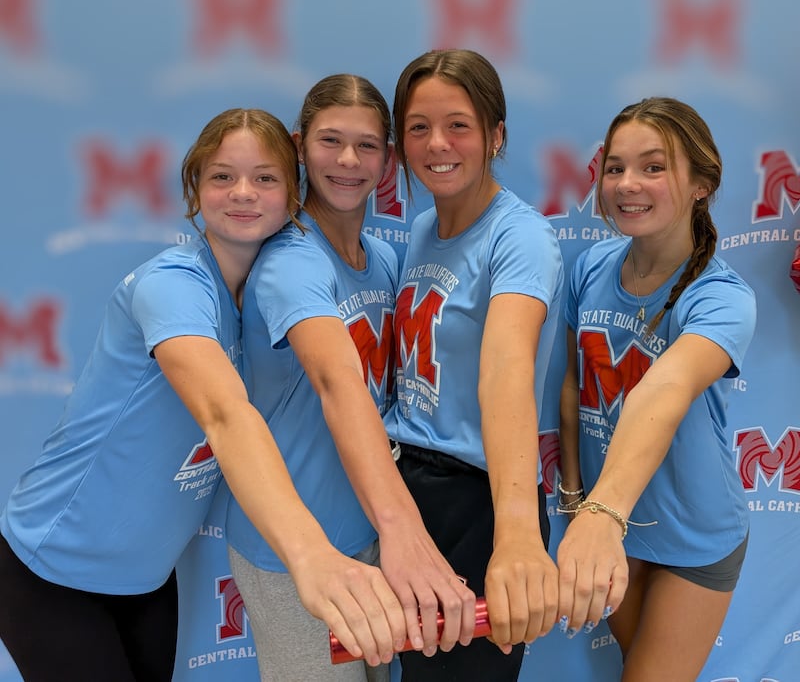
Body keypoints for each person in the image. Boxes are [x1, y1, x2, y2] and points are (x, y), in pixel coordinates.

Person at [0, 108, 407, 682]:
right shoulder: (173, 286)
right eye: (222, 176)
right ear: (194, 188)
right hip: (56, 569)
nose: (243, 193)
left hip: (146, 578)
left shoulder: (261, 291)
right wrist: (310, 556)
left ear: (293, 193)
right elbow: (225, 414)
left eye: (266, 178)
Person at [225, 75, 474, 682]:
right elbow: (338, 383)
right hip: (298, 550)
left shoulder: (383, 259)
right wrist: (405, 530)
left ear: (387, 159)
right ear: (298, 144)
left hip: (371, 536)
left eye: (366, 146)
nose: (347, 161)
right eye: (330, 141)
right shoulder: (290, 263)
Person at [556, 96, 757, 681]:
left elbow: (662, 392)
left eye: (653, 166)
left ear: (701, 183)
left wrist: (601, 514)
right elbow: (573, 387)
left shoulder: (722, 298)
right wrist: (576, 501)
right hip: (611, 528)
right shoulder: (591, 266)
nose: (626, 184)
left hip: (691, 536)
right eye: (615, 167)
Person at [385, 49, 564, 681]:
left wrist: (516, 537)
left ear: (496, 135)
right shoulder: (422, 227)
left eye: (458, 124)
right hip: (411, 500)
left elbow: (507, 372)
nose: (438, 144)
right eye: (418, 127)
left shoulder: (520, 238)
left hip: (483, 504)